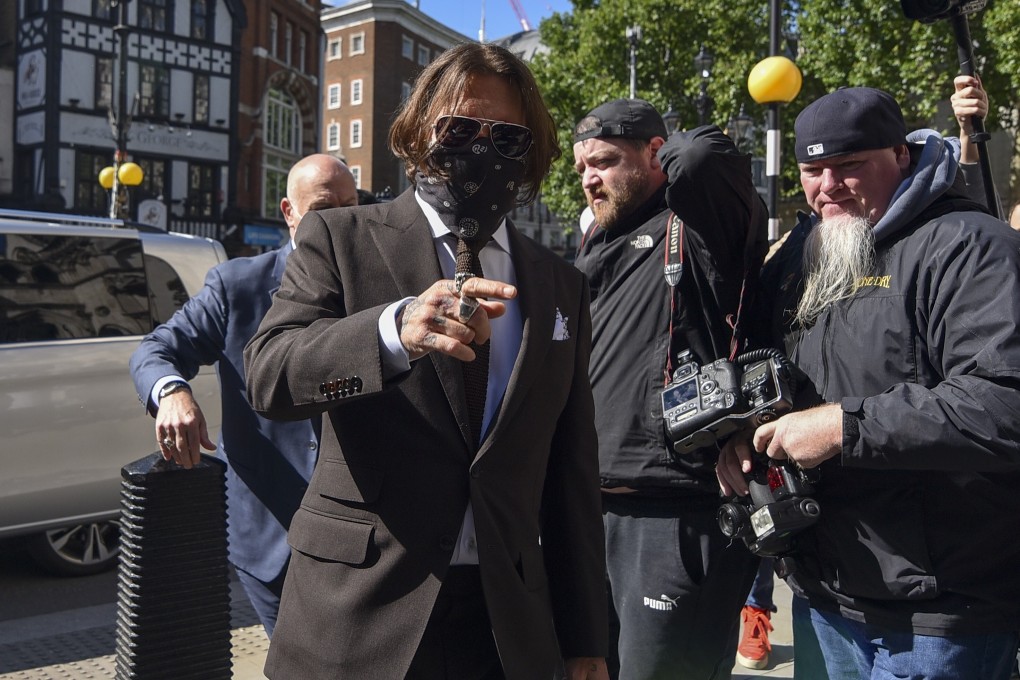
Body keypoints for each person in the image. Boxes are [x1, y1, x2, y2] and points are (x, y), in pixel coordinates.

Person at [243, 43, 609, 680]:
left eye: (508, 137)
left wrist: (585, 637)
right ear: (418, 134)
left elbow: (570, 472)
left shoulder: (559, 283)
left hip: (504, 626)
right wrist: (390, 331)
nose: (481, 148)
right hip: (358, 617)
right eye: (460, 128)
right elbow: (270, 374)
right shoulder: (341, 237)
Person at [719, 86, 1020, 679]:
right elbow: (765, 373)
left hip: (941, 614)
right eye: (812, 170)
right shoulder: (804, 251)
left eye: (849, 166)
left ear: (901, 156)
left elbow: (1005, 402)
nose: (827, 185)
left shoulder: (969, 244)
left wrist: (841, 426)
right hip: (822, 594)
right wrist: (742, 438)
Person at [571, 98, 766, 679]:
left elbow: (705, 156)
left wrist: (664, 138)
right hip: (590, 510)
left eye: (604, 161)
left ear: (657, 154)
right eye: (581, 168)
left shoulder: (700, 227)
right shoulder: (597, 241)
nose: (589, 179)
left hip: (676, 518)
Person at [128, 154, 359, 637]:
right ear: (289, 212)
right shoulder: (239, 287)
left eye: (350, 204)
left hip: (362, 537)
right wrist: (171, 393)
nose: (339, 218)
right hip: (273, 538)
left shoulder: (376, 284)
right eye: (323, 206)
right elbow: (157, 350)